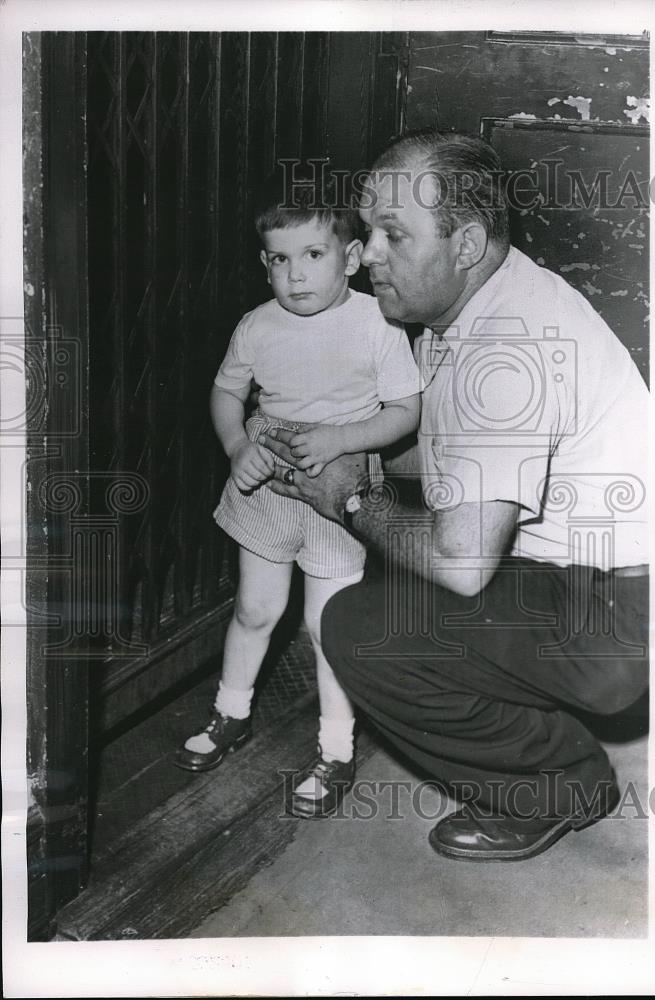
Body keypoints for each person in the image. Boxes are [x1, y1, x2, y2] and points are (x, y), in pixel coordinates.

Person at [262, 129, 649, 860]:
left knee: (356, 625)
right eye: (368, 228)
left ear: (465, 243)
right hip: (593, 573)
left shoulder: (507, 346)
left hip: (623, 615)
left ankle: (559, 781)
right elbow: (440, 446)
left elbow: (465, 563)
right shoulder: (463, 305)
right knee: (393, 562)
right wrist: (333, 440)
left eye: (392, 236)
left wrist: (350, 499)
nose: (365, 253)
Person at [174, 167, 422, 820]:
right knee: (256, 610)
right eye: (281, 260)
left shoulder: (378, 323)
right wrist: (236, 448)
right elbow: (227, 392)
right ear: (265, 265)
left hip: (337, 492)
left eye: (313, 256)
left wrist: (343, 439)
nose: (297, 275)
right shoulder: (258, 325)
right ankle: (232, 713)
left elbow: (404, 411)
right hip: (267, 485)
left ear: (350, 257)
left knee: (324, 626)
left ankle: (336, 750)